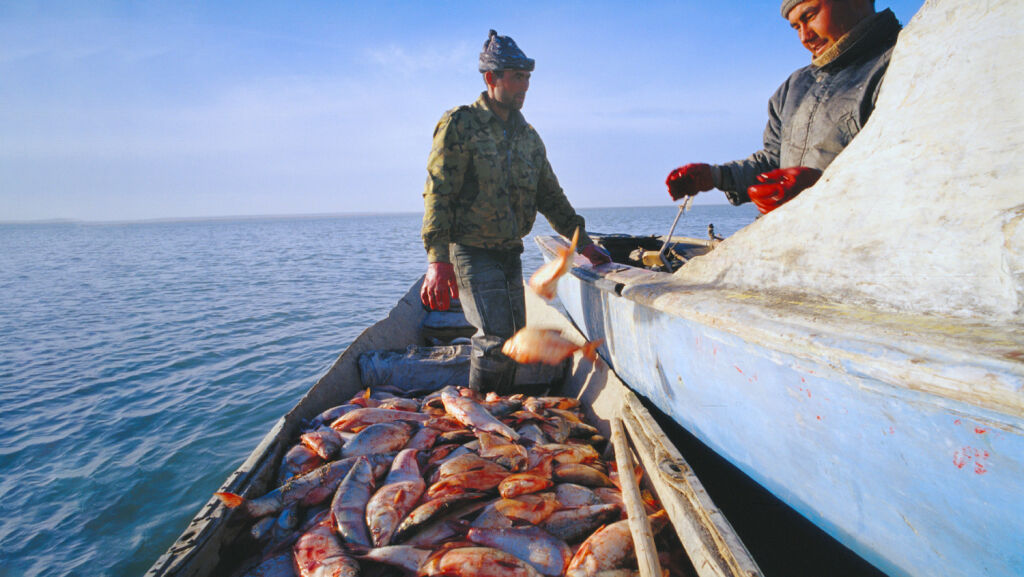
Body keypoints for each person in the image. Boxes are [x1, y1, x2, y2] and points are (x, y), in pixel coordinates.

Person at [420, 30, 611, 394]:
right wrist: (437, 261)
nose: (525, 86)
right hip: (471, 250)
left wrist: (583, 245)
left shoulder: (529, 138)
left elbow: (552, 197)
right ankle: (481, 420)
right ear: (491, 78)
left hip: (510, 253)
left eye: (527, 78)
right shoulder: (460, 125)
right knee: (496, 340)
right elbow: (438, 193)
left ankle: (500, 409)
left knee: (516, 343)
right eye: (516, 77)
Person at [666, 0, 902, 213]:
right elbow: (773, 160)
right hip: (790, 242)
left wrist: (822, 187)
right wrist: (715, 176)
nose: (804, 37)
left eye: (809, 16)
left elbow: (910, 170)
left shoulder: (906, 62)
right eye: (796, 27)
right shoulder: (793, 87)